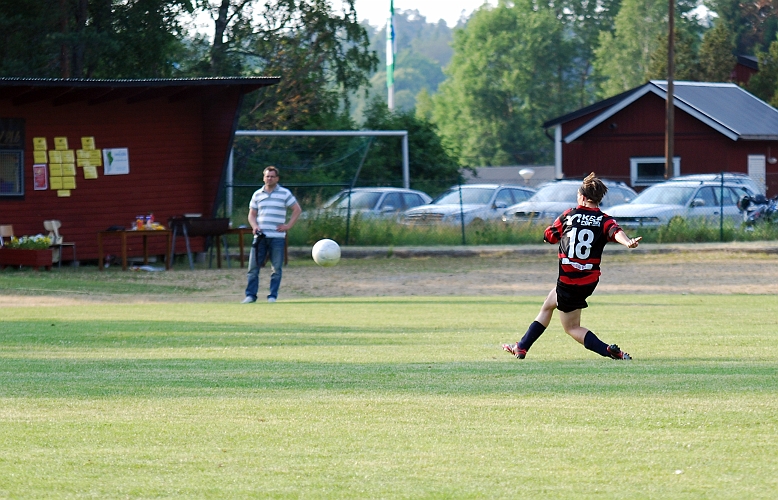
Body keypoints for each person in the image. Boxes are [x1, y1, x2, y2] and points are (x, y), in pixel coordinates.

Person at [503, 173, 641, 360]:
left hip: (568, 280)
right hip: (588, 281)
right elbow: (615, 232)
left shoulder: (569, 215)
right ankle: (522, 346)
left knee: (571, 327)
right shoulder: (604, 219)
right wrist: (628, 242)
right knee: (548, 305)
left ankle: (608, 350)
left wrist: (556, 233)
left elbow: (549, 236)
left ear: (582, 197)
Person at [242, 166, 302, 303]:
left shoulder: (284, 193)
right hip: (260, 237)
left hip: (277, 237)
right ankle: (250, 295)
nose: (269, 179)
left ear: (277, 178)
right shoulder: (257, 194)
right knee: (253, 267)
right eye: (267, 176)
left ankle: (272, 296)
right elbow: (252, 214)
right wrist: (255, 226)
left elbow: (297, 209)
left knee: (276, 268)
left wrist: (288, 226)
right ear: (264, 178)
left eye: (272, 176)